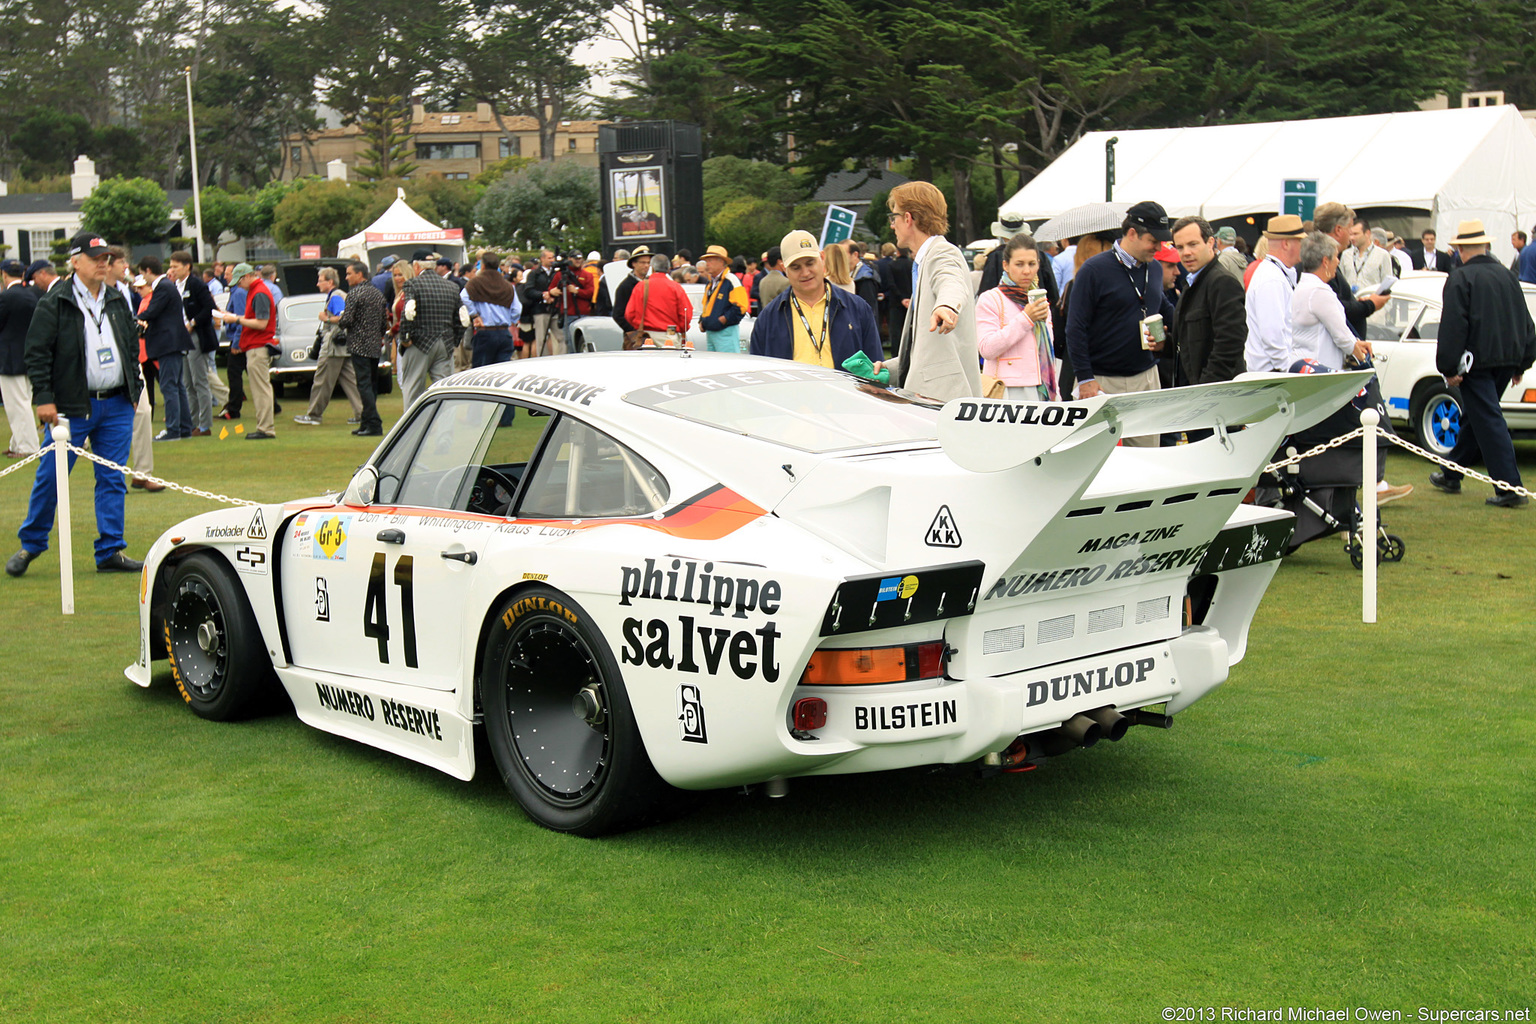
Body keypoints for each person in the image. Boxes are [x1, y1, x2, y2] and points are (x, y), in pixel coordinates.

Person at [6, 232, 144, 577]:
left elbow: (129, 344)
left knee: (112, 479)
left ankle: (111, 549)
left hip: (116, 403)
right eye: (95, 257)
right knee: (51, 477)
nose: (103, 263)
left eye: (106, 258)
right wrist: (44, 398)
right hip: (70, 405)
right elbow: (36, 352)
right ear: (75, 261)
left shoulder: (115, 298)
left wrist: (135, 387)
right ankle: (31, 544)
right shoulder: (55, 301)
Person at [1430, 219, 1536, 507]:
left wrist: (1449, 367)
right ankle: (1451, 472)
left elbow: (1454, 325)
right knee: (1479, 417)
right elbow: (1525, 321)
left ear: (1461, 249)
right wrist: (1522, 362)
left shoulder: (1461, 278)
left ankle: (1509, 487)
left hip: (1476, 362)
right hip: (1506, 358)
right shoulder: (1506, 275)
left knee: (1488, 420)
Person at [1063, 200, 1174, 429]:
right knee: (1101, 460)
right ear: (1132, 233)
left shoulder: (1153, 268)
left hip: (1146, 378)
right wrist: (1085, 379)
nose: (1158, 248)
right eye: (1153, 241)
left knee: (1147, 456)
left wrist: (1177, 335)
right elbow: (1075, 328)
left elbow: (1162, 307)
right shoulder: (1093, 270)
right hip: (1101, 382)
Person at [877, 181, 981, 402]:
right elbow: (927, 350)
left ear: (908, 218)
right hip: (934, 399)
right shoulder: (924, 261)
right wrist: (887, 369)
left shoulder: (942, 252)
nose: (891, 225)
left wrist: (947, 305)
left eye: (893, 217)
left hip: (943, 403)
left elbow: (951, 281)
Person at [750, 229, 882, 368]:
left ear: (822, 258)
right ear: (784, 269)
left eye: (810, 263)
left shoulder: (858, 309)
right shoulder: (768, 318)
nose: (805, 273)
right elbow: (760, 372)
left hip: (844, 389)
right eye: (796, 267)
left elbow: (875, 367)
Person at [974, 234, 1057, 400]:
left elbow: (1047, 350)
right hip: (1006, 391)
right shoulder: (990, 299)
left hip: (1042, 388)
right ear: (1006, 265)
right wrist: (1026, 318)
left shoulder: (1039, 298)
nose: (1026, 271)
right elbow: (986, 349)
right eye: (1019, 264)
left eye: (1032, 264)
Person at [1170, 216, 1247, 387]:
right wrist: (1165, 346)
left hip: (1217, 396)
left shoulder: (1221, 282)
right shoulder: (1193, 281)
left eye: (1193, 244)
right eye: (1180, 247)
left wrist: (1207, 389)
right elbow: (1191, 340)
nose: (1186, 252)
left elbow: (1230, 343)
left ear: (1211, 242)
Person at [135, 255, 195, 442]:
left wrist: (135, 319)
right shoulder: (167, 286)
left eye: (142, 274)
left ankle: (173, 429)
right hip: (173, 342)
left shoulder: (163, 287)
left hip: (168, 342)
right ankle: (184, 427)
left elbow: (152, 311)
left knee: (170, 386)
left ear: (148, 271)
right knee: (177, 386)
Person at [214, 263, 277, 440]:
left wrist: (237, 319)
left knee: (261, 389)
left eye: (239, 281)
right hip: (254, 346)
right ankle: (264, 426)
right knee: (260, 388)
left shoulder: (259, 292)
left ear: (247, 276)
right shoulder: (256, 291)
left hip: (258, 345)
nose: (238, 285)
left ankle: (266, 428)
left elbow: (261, 323)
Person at [1291, 231, 1368, 372]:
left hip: (1302, 365)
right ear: (1325, 261)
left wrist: (1355, 343)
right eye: (1336, 257)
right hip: (1321, 370)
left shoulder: (1301, 287)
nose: (1338, 261)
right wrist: (1362, 357)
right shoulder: (1320, 291)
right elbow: (1342, 337)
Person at [295, 267, 363, 426]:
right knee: (351, 381)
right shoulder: (339, 295)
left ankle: (314, 415)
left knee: (322, 380)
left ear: (330, 282)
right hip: (344, 345)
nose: (317, 284)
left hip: (333, 346)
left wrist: (325, 318)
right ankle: (363, 413)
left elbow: (342, 317)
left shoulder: (336, 296)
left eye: (320, 280)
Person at [1244, 214, 1305, 372]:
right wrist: (1288, 370)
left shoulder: (1274, 274)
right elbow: (1272, 337)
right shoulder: (1272, 279)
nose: (1303, 246)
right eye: (1300, 241)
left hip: (1272, 371)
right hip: (1272, 374)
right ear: (1286, 243)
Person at [398, 254, 459, 409]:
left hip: (419, 343)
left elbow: (408, 312)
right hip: (445, 343)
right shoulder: (452, 286)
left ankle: (411, 430)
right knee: (445, 390)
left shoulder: (412, 284)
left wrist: (405, 338)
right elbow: (462, 317)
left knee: (413, 388)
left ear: (417, 266)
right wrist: (455, 340)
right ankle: (445, 430)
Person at [171, 250, 221, 437]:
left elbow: (209, 307)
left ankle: (205, 425)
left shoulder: (197, 284)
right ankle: (192, 422)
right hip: (181, 337)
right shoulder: (175, 285)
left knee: (200, 381)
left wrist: (192, 323)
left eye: (176, 266)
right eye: (171, 266)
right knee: (187, 383)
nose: (172, 270)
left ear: (187, 267)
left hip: (197, 336)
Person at [336, 262, 386, 436]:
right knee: (371, 385)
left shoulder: (355, 293)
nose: (346, 277)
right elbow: (383, 322)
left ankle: (373, 423)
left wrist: (336, 319)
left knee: (363, 385)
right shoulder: (377, 293)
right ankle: (366, 422)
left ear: (360, 274)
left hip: (359, 344)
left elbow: (347, 320)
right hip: (374, 344)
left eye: (349, 274)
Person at [1, 259, 41, 457]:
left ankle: (27, 446)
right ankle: (18, 442)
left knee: (17, 404)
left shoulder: (6, 296)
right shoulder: (31, 294)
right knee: (23, 400)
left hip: (9, 357)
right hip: (28, 355)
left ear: (4, 274)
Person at [461, 250, 522, 367]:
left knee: (482, 371)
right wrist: (512, 320)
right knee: (502, 371)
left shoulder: (476, 283)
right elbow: (517, 309)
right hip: (504, 332)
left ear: (482, 266)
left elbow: (463, 297)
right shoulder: (507, 285)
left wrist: (475, 314)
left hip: (486, 331)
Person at [624, 255, 693, 343]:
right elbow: (686, 314)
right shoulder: (676, 287)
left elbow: (629, 313)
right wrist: (681, 328)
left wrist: (638, 326)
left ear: (652, 268)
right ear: (668, 269)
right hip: (670, 336)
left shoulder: (641, 286)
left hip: (646, 336)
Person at [697, 245, 749, 353]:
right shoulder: (711, 282)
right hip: (711, 332)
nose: (707, 264)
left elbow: (741, 307)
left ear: (721, 262)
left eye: (710, 260)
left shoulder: (731, 280)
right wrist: (702, 321)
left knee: (729, 365)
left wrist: (724, 319)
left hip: (726, 333)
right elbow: (707, 306)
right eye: (706, 261)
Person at [1340, 218, 1393, 296]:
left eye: (1356, 234)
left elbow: (1387, 286)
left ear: (1367, 233)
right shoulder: (1346, 255)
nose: (1352, 238)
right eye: (1350, 234)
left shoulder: (1382, 255)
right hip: (1351, 304)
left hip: (1373, 304)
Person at [611, 246, 653, 338]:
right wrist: (632, 331)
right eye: (643, 262)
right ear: (634, 263)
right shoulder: (625, 286)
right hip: (635, 337)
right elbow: (618, 315)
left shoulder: (652, 283)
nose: (646, 265)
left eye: (648, 263)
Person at [524, 249, 557, 356]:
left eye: (553, 257)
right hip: (540, 309)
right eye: (549, 258)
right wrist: (543, 295)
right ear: (542, 259)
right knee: (541, 338)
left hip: (555, 308)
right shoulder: (534, 274)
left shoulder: (556, 273)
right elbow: (528, 291)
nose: (552, 260)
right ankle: (543, 359)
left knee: (561, 337)